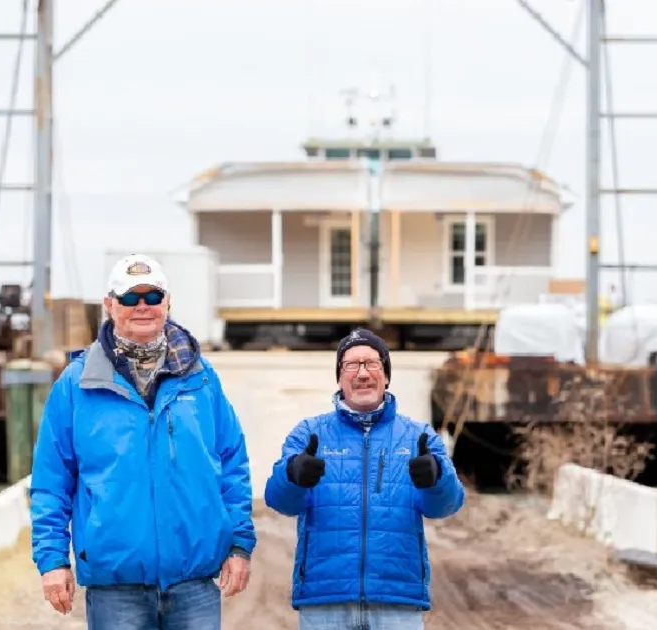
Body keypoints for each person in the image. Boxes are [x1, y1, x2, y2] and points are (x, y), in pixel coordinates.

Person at [29, 253, 255, 629]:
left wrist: (239, 544)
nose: (142, 306)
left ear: (168, 302)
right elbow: (51, 482)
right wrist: (52, 560)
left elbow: (233, 463)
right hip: (115, 590)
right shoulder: (75, 384)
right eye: (130, 297)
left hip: (195, 584)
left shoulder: (202, 378)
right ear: (109, 305)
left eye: (153, 296)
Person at [264, 328, 465, 630]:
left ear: (386, 376)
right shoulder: (309, 433)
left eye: (371, 363)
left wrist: (437, 479)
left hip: (397, 600)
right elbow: (279, 500)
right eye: (351, 365)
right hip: (324, 601)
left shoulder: (419, 437)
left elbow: (447, 506)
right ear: (339, 378)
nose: (362, 373)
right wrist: (293, 475)